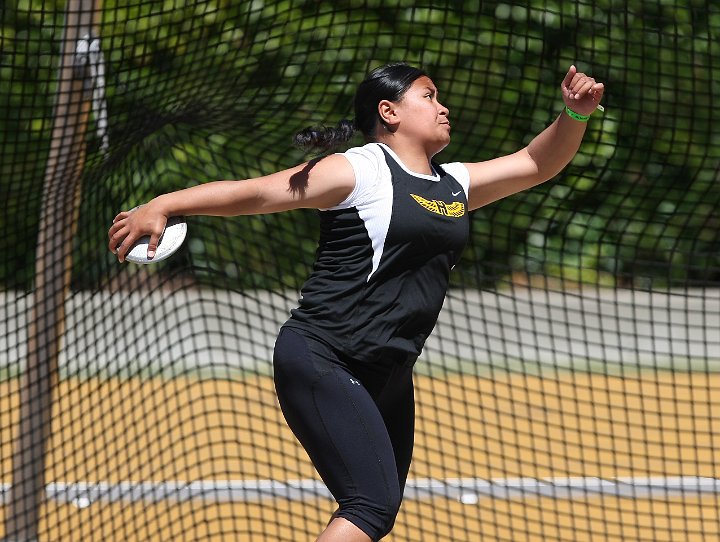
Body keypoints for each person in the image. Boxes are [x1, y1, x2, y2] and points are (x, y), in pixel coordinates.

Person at [108, 62, 604, 541]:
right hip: (325, 355)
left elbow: (538, 163)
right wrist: (165, 203)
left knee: (374, 512)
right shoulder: (361, 169)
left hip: (389, 375)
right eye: (429, 96)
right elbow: (258, 194)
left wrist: (575, 115)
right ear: (389, 112)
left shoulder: (454, 184)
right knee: (370, 506)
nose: (443, 107)